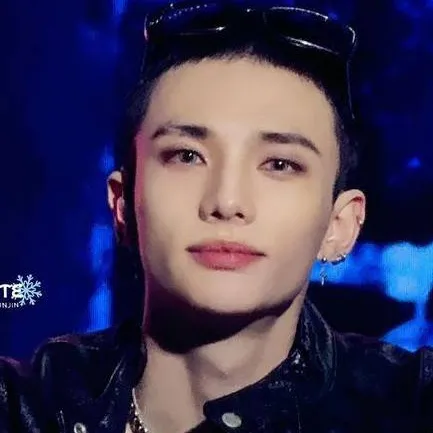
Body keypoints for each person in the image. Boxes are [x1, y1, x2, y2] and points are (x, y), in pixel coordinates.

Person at [1, 1, 433, 432]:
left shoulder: (408, 406)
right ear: (123, 205)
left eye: (280, 164)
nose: (226, 201)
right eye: (186, 156)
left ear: (339, 226)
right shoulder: (29, 408)